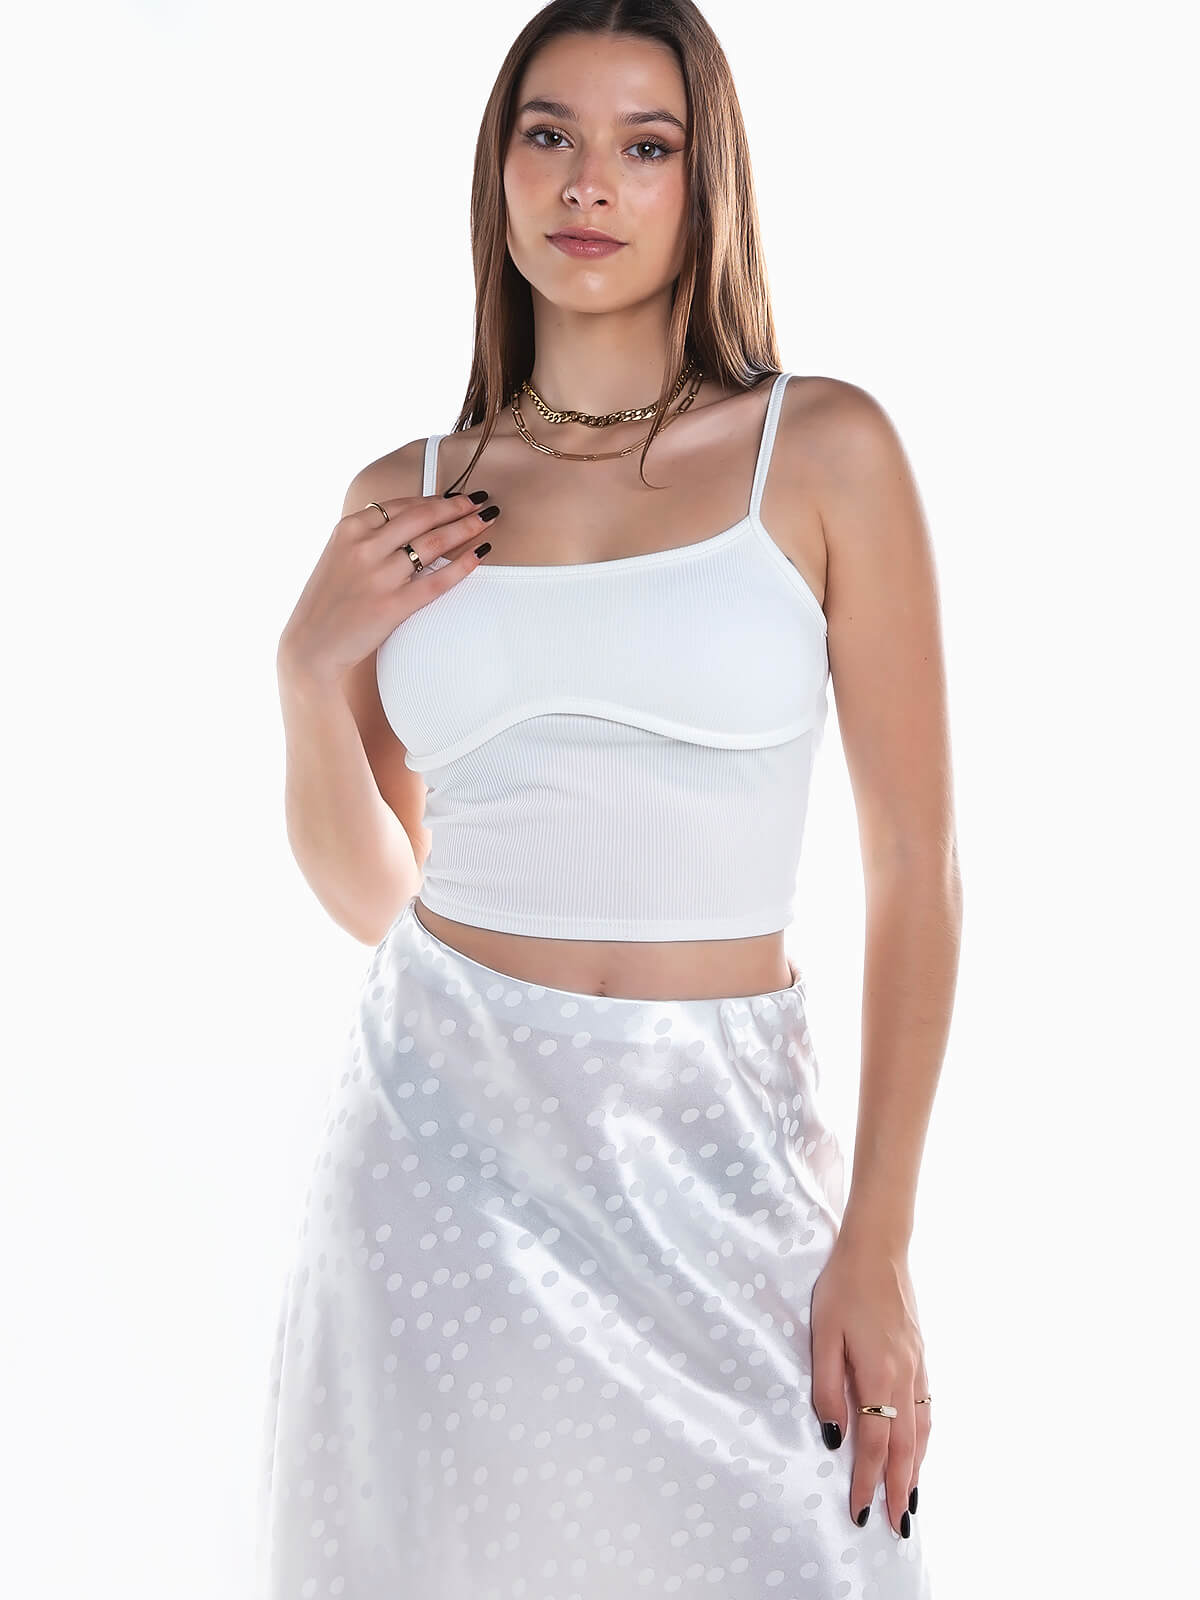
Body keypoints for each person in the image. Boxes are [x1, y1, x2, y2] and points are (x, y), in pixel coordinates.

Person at [258, 3, 961, 1596]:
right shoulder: (406, 497)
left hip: (721, 1151)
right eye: (549, 135)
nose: (590, 183)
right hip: (437, 1155)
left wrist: (879, 1237)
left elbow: (916, 865)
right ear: (498, 172)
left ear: (707, 184)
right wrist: (306, 675)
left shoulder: (821, 452)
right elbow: (378, 898)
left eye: (647, 145)